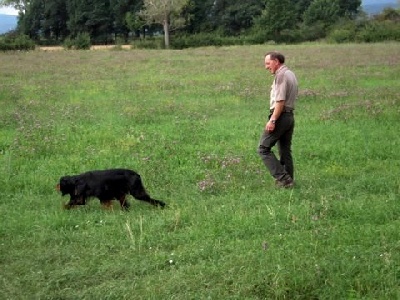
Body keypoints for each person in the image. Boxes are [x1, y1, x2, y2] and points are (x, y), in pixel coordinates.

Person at [257, 51, 298, 188]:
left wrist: (273, 120)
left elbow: (280, 101)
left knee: (263, 148)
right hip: (289, 116)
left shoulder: (280, 75)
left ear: (276, 61)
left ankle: (284, 179)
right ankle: (289, 181)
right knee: (285, 150)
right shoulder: (290, 73)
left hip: (280, 116)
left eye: (268, 63)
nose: (266, 67)